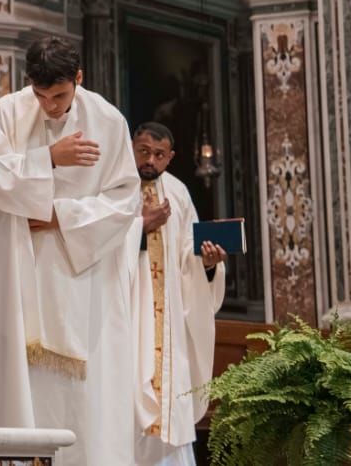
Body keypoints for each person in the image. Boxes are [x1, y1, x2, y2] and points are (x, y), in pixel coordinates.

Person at [0, 37, 140, 466]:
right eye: (41, 95)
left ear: (78, 78)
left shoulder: (108, 120)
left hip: (85, 281)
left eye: (60, 96)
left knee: (86, 403)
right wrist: (48, 157)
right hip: (23, 272)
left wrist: (58, 216)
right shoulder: (9, 111)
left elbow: (125, 200)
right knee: (25, 391)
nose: (49, 106)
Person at [130, 121, 227, 466]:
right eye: (143, 151)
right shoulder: (115, 187)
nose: (150, 161)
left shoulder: (179, 193)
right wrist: (140, 227)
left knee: (169, 404)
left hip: (169, 323)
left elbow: (189, 254)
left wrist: (208, 264)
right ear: (131, 148)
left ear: (170, 157)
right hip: (127, 315)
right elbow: (98, 245)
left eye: (159, 154)